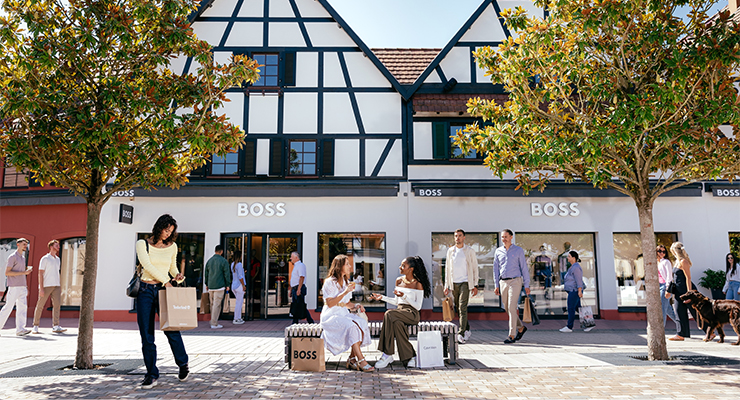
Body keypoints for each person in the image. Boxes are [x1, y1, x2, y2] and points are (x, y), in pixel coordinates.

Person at [135, 214, 189, 389]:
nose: (167, 234)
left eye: (171, 231)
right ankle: (151, 373)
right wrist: (166, 280)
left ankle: (183, 364)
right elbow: (147, 266)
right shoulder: (142, 244)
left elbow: (172, 267)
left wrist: (177, 277)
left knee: (171, 329)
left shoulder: (172, 247)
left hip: (163, 291)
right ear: (158, 227)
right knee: (146, 334)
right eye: (166, 230)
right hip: (145, 291)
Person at [371, 256, 431, 369]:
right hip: (400, 312)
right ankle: (411, 356)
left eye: (404, 266)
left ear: (411, 269)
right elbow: (396, 301)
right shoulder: (399, 281)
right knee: (397, 324)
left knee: (389, 314)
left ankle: (387, 354)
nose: (400, 267)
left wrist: (404, 296)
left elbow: (418, 306)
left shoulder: (418, 284)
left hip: (412, 313)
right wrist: (382, 298)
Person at [320, 254, 374, 372]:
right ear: (340, 266)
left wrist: (356, 306)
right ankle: (361, 360)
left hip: (343, 313)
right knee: (352, 326)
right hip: (331, 316)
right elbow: (330, 304)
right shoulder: (329, 282)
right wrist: (345, 292)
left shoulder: (346, 282)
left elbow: (347, 304)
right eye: (347, 264)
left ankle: (351, 359)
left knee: (362, 323)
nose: (350, 266)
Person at [493, 229, 531, 344]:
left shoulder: (518, 250)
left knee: (512, 307)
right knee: (507, 308)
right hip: (503, 282)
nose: (503, 239)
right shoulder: (498, 251)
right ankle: (521, 328)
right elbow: (495, 269)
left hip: (515, 281)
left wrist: (527, 284)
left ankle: (512, 335)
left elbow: (524, 268)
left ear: (511, 237)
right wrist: (496, 285)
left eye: (505, 237)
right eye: (502, 237)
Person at [443, 229, 479, 344]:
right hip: (454, 283)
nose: (457, 238)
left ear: (464, 237)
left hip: (465, 282)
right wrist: (446, 285)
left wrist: (475, 284)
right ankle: (467, 329)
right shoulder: (450, 251)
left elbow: (474, 268)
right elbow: (447, 269)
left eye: (459, 236)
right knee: (459, 308)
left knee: (462, 307)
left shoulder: (469, 251)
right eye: (455, 236)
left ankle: (461, 333)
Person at [669, 242, 707, 341]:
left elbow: (688, 278)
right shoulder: (677, 261)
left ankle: (709, 332)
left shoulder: (683, 261)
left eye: (672, 251)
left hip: (686, 290)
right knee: (679, 311)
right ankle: (681, 334)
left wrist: (689, 293)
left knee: (695, 312)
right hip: (678, 291)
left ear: (675, 251)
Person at [32, 240, 66, 334]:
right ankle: (35, 325)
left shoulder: (58, 259)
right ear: (51, 247)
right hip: (46, 286)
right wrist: (41, 288)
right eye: (56, 245)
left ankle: (56, 325)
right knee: (40, 305)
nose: (58, 247)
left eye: (59, 245)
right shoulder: (45, 259)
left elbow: (56, 272)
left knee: (57, 305)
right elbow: (40, 273)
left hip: (56, 285)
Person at [0, 238, 33, 336]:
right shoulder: (12, 257)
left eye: (26, 244)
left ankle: (20, 329)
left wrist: (25, 284)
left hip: (22, 286)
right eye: (24, 244)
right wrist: (23, 272)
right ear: (18, 244)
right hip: (14, 287)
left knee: (22, 308)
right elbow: (7, 272)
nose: (25, 246)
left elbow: (19, 272)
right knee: (8, 307)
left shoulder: (22, 257)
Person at [559, 251, 591, 332]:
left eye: (569, 256)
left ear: (573, 258)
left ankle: (569, 327)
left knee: (570, 308)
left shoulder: (576, 267)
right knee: (578, 309)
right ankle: (589, 324)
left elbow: (578, 280)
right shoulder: (572, 267)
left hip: (574, 291)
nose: (567, 258)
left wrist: (580, 291)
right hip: (572, 291)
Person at [204, 245, 231, 329]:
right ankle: (214, 323)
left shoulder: (209, 261)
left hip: (211, 286)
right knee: (217, 305)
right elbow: (227, 274)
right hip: (219, 286)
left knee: (212, 304)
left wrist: (207, 284)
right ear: (221, 251)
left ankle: (213, 321)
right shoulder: (223, 261)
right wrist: (228, 284)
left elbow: (206, 274)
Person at [657, 245, 679, 335]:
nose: (662, 253)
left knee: (662, 309)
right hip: (658, 286)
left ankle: (660, 331)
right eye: (659, 251)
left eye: (664, 252)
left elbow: (669, 277)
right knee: (668, 310)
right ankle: (681, 325)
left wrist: (667, 289)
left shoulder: (666, 262)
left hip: (664, 287)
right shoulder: (656, 262)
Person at [289, 251, 314, 324]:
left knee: (300, 305)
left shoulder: (300, 265)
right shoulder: (296, 266)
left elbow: (301, 277)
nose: (290, 258)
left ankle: (309, 321)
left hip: (298, 288)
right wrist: (291, 290)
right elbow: (294, 279)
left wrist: (299, 289)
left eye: (292, 257)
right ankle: (296, 321)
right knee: (297, 305)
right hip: (295, 288)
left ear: (296, 258)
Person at [230, 250, 246, 325]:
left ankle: (237, 317)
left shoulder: (232, 264)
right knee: (239, 303)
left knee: (238, 302)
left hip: (234, 285)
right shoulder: (239, 264)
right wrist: (243, 285)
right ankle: (237, 318)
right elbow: (240, 276)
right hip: (239, 285)